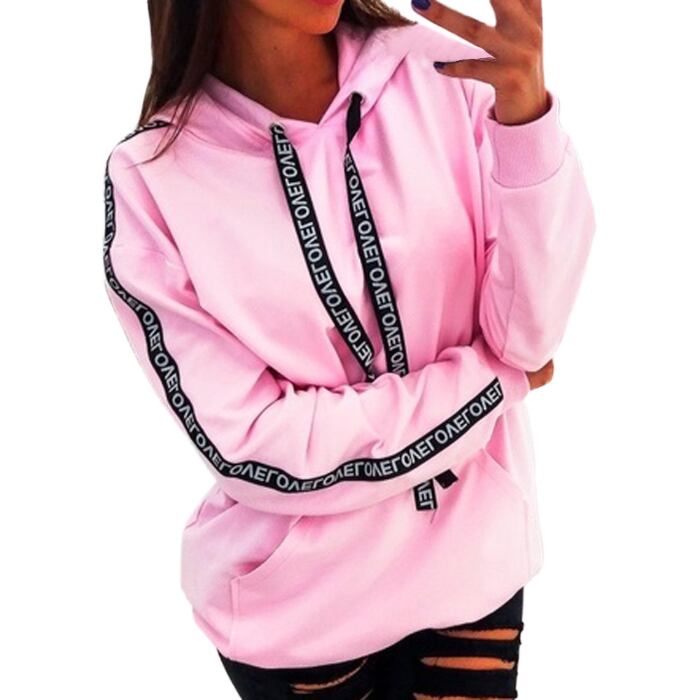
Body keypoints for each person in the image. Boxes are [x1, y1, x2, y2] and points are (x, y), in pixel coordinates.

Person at [101, 0, 595, 697]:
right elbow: (258, 448)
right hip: (296, 617)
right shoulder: (153, 178)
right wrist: (489, 384)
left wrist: (528, 125)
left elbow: (528, 335)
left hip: (471, 575)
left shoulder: (448, 71)